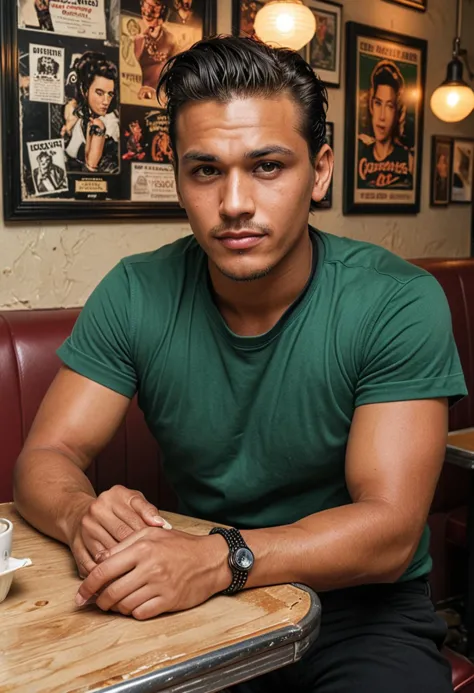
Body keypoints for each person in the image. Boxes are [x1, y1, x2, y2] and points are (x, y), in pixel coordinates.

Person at [14, 36, 466, 693]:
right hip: (198, 601)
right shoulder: (136, 291)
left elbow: (391, 530)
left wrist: (219, 557)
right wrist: (82, 513)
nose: (233, 203)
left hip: (360, 613)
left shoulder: (395, 300)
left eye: (266, 167)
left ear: (319, 171)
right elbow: (45, 454)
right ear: (179, 178)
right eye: (205, 170)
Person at [358, 59, 414, 190]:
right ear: (371, 106)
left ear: (398, 113)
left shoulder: (408, 159)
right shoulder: (360, 153)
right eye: (378, 103)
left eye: (389, 106)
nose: (382, 116)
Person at [61, 52, 120, 174]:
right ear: (84, 90)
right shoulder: (78, 113)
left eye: (110, 94)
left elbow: (91, 168)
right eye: (99, 93)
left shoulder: (109, 124)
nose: (106, 101)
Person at [134, 0, 177, 100]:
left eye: (156, 5)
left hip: (163, 98)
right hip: (140, 97)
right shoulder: (136, 37)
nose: (149, 9)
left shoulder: (170, 38)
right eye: (147, 4)